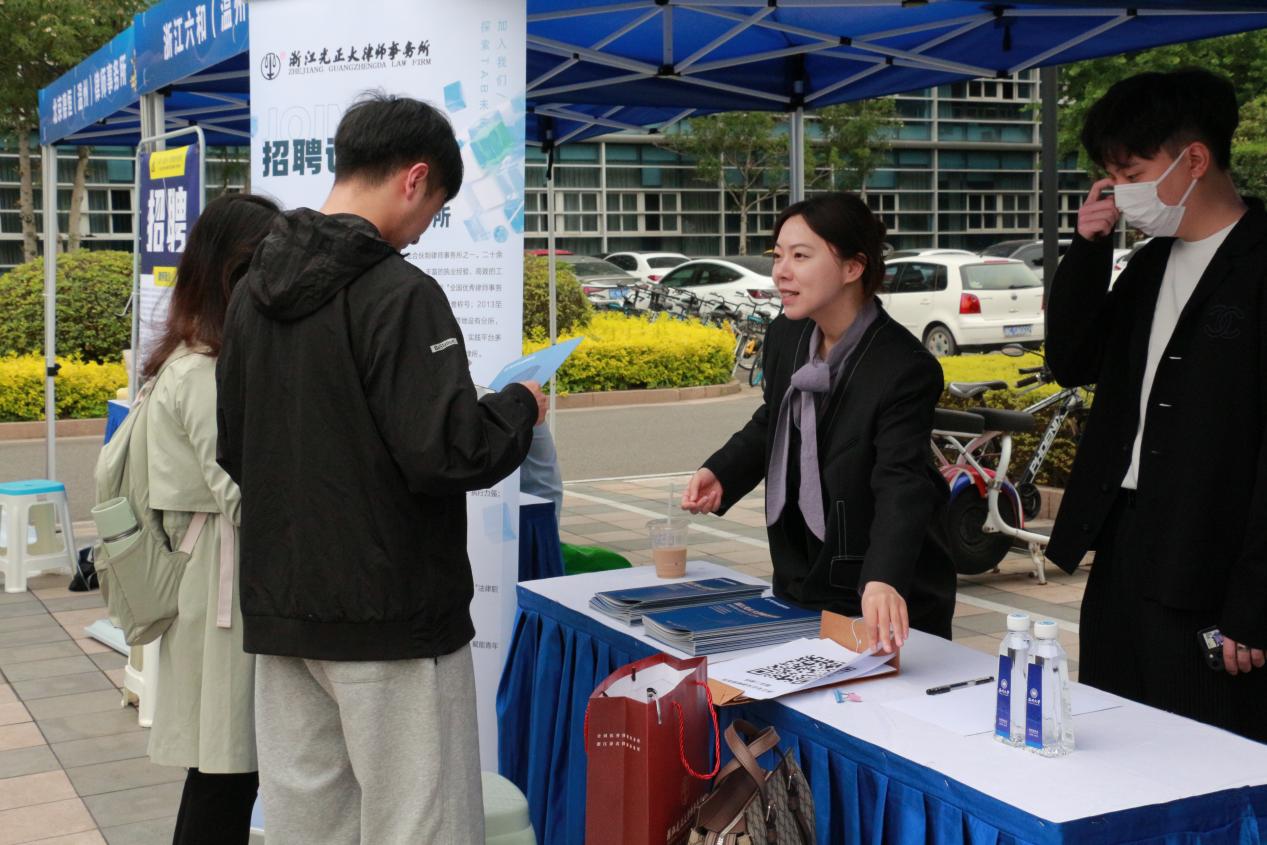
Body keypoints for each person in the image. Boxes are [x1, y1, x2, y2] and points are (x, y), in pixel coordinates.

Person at [215, 94, 547, 842]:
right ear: (414, 178)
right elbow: (451, 450)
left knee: (309, 826)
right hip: (393, 618)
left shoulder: (250, 295)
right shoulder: (400, 294)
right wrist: (517, 407)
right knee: (417, 827)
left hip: (284, 611)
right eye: (435, 206)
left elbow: (232, 447)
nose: (427, 226)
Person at [1045, 68, 1267, 743]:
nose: (1119, 188)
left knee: (1202, 744)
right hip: (1124, 536)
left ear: (1193, 160)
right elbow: (1073, 360)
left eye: (1131, 169)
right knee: (1113, 728)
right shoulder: (1147, 264)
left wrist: (1255, 601)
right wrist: (1087, 247)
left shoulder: (1260, 263)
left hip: (1214, 546)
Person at [682, 192, 955, 652]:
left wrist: (884, 577)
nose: (781, 271)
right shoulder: (787, 333)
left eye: (800, 256)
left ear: (853, 268)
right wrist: (722, 472)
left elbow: (902, 481)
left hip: (880, 595)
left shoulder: (903, 367)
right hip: (802, 575)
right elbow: (774, 419)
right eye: (778, 255)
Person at [140, 192, 281, 845]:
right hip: (220, 587)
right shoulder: (202, 370)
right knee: (225, 769)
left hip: (220, 580)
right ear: (231, 272)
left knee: (225, 767)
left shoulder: (198, 354)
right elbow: (243, 495)